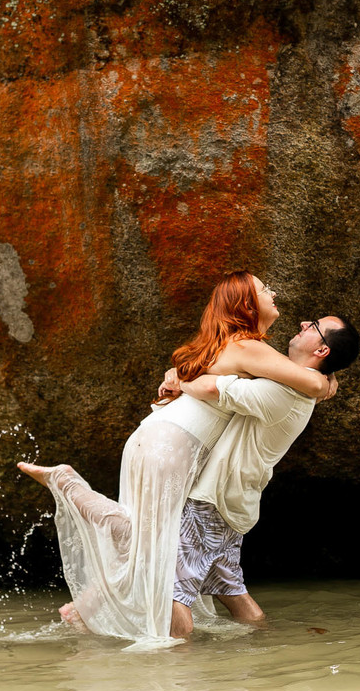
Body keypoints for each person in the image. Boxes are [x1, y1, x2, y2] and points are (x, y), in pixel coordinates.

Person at [17, 271, 330, 645]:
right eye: (265, 289)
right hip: (174, 444)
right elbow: (308, 381)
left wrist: (178, 377)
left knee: (150, 539)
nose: (273, 292)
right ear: (247, 305)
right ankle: (68, 487)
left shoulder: (219, 346)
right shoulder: (251, 348)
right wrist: (329, 382)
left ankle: (85, 606)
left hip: (155, 437)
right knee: (151, 542)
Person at [163, 315, 360, 639]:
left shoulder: (285, 392)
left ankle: (178, 672)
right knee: (230, 590)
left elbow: (212, 387)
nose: (302, 323)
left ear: (323, 350)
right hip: (233, 501)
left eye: (313, 326)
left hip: (213, 500)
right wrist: (329, 379)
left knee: (171, 591)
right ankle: (263, 647)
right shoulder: (305, 385)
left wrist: (177, 381)